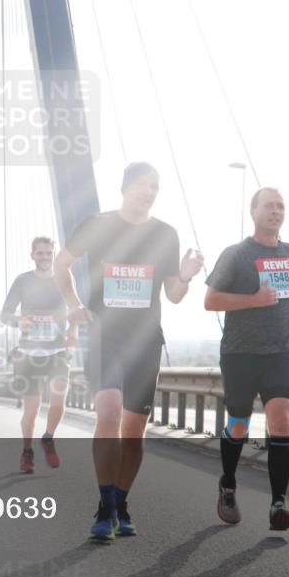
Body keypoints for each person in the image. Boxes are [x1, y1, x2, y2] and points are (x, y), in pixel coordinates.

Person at [54, 162, 203, 541]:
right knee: (108, 413)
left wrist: (185, 276)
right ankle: (105, 507)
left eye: (154, 187)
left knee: (134, 433)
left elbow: (173, 294)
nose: (148, 192)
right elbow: (61, 264)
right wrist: (74, 304)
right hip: (104, 337)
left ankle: (121, 502)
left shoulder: (165, 234)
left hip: (146, 341)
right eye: (142, 185)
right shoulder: (97, 224)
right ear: (124, 187)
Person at [204, 187, 289, 531]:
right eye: (269, 206)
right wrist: (253, 300)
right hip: (240, 353)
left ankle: (278, 504)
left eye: (281, 206)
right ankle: (228, 484)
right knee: (239, 424)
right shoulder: (236, 254)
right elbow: (211, 300)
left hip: (280, 351)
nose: (276, 211)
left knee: (281, 421)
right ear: (253, 211)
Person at [1, 236, 72, 473]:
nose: (45, 257)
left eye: (49, 253)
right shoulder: (22, 281)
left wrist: (73, 330)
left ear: (54, 255)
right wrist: (18, 321)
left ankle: (48, 437)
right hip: (28, 354)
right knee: (31, 411)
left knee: (59, 400)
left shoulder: (63, 279)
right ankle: (27, 451)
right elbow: (5, 314)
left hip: (57, 351)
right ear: (32, 255)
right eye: (40, 253)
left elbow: (76, 309)